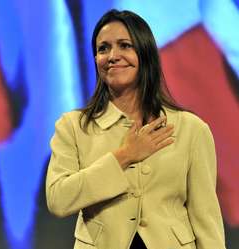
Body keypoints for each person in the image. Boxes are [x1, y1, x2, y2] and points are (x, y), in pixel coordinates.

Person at [46, 9, 226, 249]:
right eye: (103, 49)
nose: (112, 56)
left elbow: (206, 218)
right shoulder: (73, 127)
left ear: (145, 53)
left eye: (125, 45)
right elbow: (59, 199)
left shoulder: (191, 129)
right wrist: (124, 156)